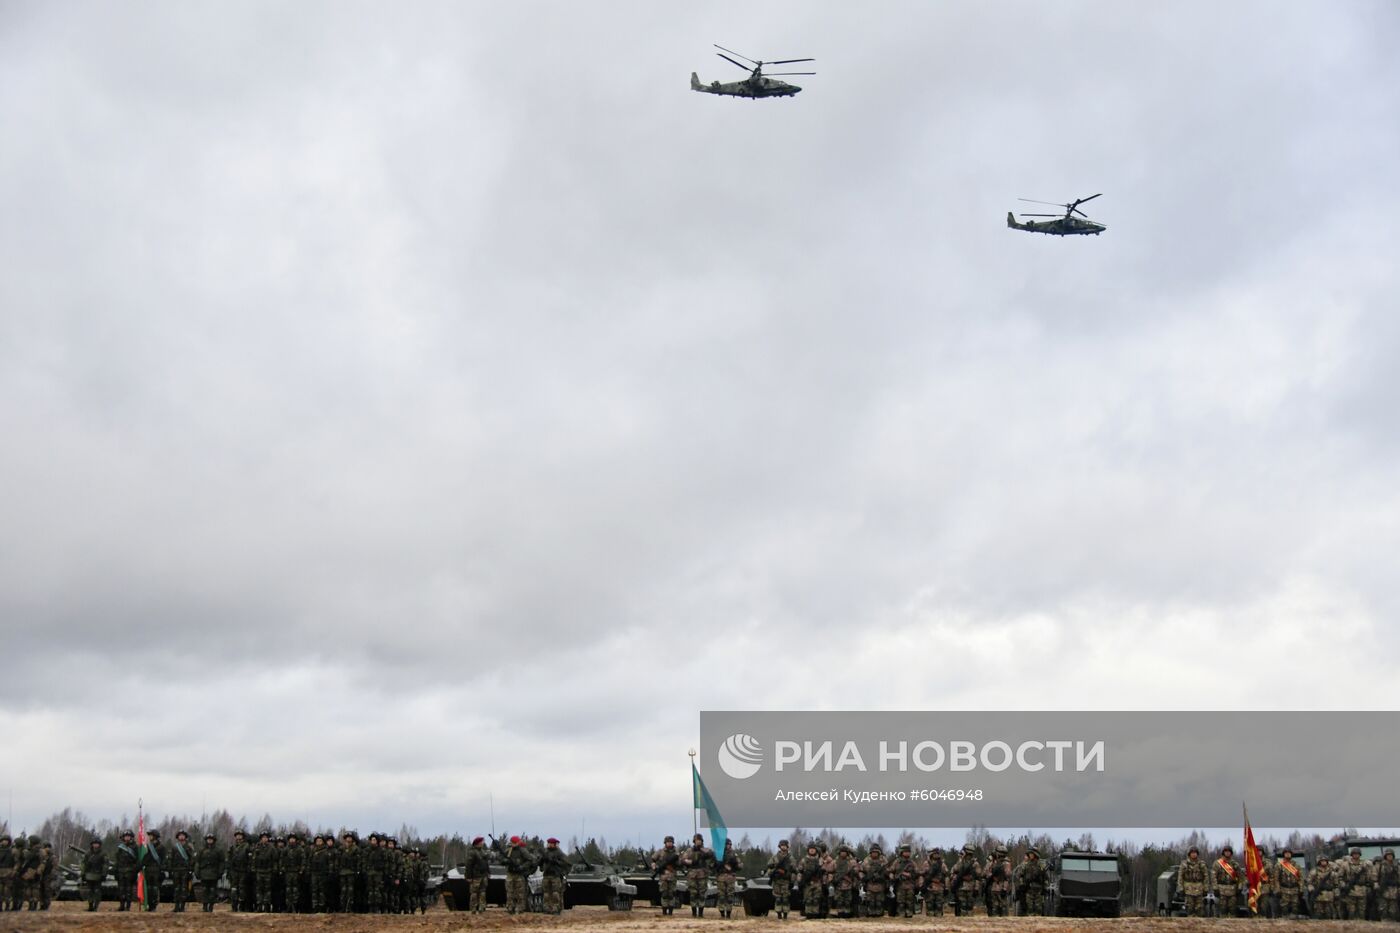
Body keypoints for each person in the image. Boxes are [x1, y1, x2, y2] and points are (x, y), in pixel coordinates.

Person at [681, 833, 713, 917]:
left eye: (699, 840)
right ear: (694, 841)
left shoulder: (705, 850)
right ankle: (694, 912)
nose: (698, 842)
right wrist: (690, 862)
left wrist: (702, 851)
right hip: (692, 875)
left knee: (702, 894)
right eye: (696, 841)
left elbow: (711, 854)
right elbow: (683, 860)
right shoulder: (689, 850)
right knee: (693, 893)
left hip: (702, 874)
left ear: (702, 841)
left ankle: (701, 913)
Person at [1339, 846, 1375, 921]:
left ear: (1360, 854)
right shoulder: (1345, 865)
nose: (1356, 855)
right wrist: (1344, 885)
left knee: (1362, 911)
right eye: (1354, 854)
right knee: (1351, 911)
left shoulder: (1365, 864)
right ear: (1351, 854)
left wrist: (1369, 886)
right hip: (1350, 890)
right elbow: (1340, 877)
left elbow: (1369, 877)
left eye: (1357, 854)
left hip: (1362, 890)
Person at [504, 835, 535, 914]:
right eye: (512, 842)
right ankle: (510, 907)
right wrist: (505, 861)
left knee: (520, 893)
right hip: (510, 874)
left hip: (519, 874)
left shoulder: (522, 851)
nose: (513, 844)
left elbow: (530, 860)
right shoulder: (508, 850)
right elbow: (501, 858)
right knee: (510, 892)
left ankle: (520, 908)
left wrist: (522, 867)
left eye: (515, 842)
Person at [1210, 845, 1244, 917]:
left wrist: (1240, 887)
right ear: (1223, 853)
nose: (1227, 853)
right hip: (1221, 889)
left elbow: (1240, 877)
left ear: (1231, 853)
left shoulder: (1235, 864)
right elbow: (1213, 876)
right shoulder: (1218, 863)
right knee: (1222, 909)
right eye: (1226, 851)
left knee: (1232, 909)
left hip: (1232, 889)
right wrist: (1215, 888)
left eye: (1229, 852)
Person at [539, 837, 570, 914]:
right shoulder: (545, 852)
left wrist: (556, 862)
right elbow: (539, 863)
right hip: (546, 875)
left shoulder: (559, 853)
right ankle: (546, 908)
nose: (549, 845)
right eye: (548, 843)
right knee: (546, 893)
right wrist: (542, 861)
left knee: (555, 893)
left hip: (555, 876)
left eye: (551, 844)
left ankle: (556, 908)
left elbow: (566, 863)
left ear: (554, 844)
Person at [195, 833, 224, 913]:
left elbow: (221, 862)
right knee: (204, 890)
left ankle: (211, 906)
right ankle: (204, 905)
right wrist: (197, 872)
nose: (209, 841)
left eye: (211, 839)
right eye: (208, 839)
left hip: (214, 873)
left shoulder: (218, 851)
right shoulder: (201, 850)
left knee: (212, 890)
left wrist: (220, 872)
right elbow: (197, 862)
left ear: (213, 841)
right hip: (204, 873)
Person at [1015, 847, 1049, 916]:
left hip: (1038, 890)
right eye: (1029, 854)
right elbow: (1020, 876)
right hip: (1029, 890)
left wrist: (1045, 887)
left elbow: (1045, 878)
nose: (1030, 855)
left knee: (1038, 909)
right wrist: (1022, 885)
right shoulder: (1026, 865)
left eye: (1031, 854)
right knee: (1029, 909)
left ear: (1035, 854)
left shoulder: (1041, 865)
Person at [890, 843, 920, 919]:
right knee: (900, 901)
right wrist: (892, 877)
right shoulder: (897, 862)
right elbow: (891, 871)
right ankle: (901, 914)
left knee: (910, 901)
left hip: (910, 885)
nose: (907, 853)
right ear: (902, 852)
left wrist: (909, 875)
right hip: (900, 885)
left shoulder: (912, 863)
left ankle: (909, 914)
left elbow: (917, 873)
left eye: (908, 851)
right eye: (906, 851)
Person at [950, 844, 982, 916]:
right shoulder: (961, 862)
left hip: (969, 888)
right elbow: (955, 869)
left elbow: (978, 876)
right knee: (962, 906)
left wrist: (976, 888)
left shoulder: (974, 863)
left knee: (969, 906)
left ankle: (968, 920)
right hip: (961, 888)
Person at [829, 844, 859, 918]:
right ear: (839, 852)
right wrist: (832, 880)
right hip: (838, 885)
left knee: (847, 901)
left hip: (848, 885)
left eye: (845, 852)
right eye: (842, 852)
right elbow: (830, 871)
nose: (843, 853)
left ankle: (847, 913)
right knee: (839, 900)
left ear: (847, 853)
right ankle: (840, 913)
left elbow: (857, 870)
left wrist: (853, 872)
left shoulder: (851, 862)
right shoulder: (835, 862)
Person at [1177, 846, 1208, 917]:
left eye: (1195, 853)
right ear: (1189, 854)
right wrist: (1180, 888)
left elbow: (1206, 877)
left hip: (1199, 889)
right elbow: (1180, 877)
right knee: (1189, 908)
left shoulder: (1201, 864)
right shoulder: (1184, 864)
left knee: (1199, 909)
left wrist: (1206, 888)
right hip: (1188, 889)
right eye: (1192, 853)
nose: (1194, 854)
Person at [168, 830, 195, 912]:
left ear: (185, 837)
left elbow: (192, 859)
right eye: (180, 836)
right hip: (176, 870)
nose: (181, 837)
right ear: (178, 837)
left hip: (185, 870)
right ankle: (176, 906)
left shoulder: (189, 847)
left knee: (184, 889)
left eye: (183, 835)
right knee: (176, 889)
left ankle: (182, 906)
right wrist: (170, 869)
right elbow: (170, 859)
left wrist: (191, 870)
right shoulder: (174, 847)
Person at [138, 829, 165, 911]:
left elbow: (163, 860)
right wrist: (140, 865)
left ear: (155, 837)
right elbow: (145, 858)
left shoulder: (161, 847)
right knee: (149, 889)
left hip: (156, 870)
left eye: (151, 835)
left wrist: (163, 870)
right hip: (148, 870)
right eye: (149, 835)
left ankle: (154, 906)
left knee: (154, 889)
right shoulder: (147, 847)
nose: (150, 837)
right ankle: (149, 905)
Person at [462, 836, 490, 913]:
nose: (482, 843)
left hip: (483, 875)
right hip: (475, 876)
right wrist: (468, 876)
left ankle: (482, 907)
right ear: (477, 843)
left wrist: (488, 872)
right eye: (481, 842)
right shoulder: (472, 852)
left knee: (483, 892)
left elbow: (486, 863)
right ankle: (473, 908)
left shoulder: (483, 852)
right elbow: (468, 865)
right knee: (474, 893)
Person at [766, 839, 793, 920]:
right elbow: (769, 867)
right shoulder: (774, 857)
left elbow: (794, 869)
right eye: (782, 845)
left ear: (787, 847)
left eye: (785, 845)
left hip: (786, 881)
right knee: (778, 898)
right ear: (779, 846)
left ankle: (785, 914)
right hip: (777, 881)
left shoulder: (790, 858)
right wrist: (774, 871)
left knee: (785, 899)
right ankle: (778, 914)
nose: (783, 847)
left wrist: (792, 880)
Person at [113, 830, 139, 911]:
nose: (127, 838)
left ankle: (128, 906)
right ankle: (121, 905)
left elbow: (138, 860)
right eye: (125, 836)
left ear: (131, 837)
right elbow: (117, 860)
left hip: (130, 871)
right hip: (121, 870)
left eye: (128, 836)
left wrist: (135, 870)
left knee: (128, 889)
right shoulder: (120, 847)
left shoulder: (135, 847)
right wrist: (115, 870)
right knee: (121, 889)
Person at [226, 829, 251, 912]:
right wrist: (229, 871)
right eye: (237, 836)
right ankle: (234, 906)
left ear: (243, 837)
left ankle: (242, 906)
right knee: (233, 889)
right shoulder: (232, 847)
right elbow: (229, 860)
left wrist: (248, 870)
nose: (238, 837)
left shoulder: (247, 846)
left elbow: (249, 860)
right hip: (234, 871)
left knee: (242, 889)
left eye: (240, 836)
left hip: (243, 871)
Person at [860, 843, 888, 918]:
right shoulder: (866, 860)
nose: (874, 854)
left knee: (879, 902)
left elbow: (887, 871)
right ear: (870, 852)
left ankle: (879, 914)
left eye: (876, 852)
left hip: (880, 885)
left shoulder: (883, 860)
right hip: (870, 884)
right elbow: (861, 871)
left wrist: (883, 876)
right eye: (873, 852)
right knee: (870, 902)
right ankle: (870, 913)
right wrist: (863, 878)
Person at [716, 839, 741, 918]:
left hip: (730, 877)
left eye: (730, 844)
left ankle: (729, 913)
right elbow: (712, 864)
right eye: (728, 844)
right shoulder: (719, 854)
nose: (729, 846)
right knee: (721, 896)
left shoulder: (733, 854)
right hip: (721, 877)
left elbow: (740, 865)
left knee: (730, 896)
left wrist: (735, 865)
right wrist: (719, 864)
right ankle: (722, 913)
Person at [797, 842, 824, 919]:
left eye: (813, 849)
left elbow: (824, 871)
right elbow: (800, 871)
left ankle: (815, 914)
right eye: (810, 849)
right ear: (808, 850)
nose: (812, 851)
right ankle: (808, 914)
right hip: (807, 883)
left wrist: (824, 882)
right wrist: (799, 881)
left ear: (816, 850)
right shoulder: (804, 860)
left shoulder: (820, 860)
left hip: (817, 882)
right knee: (808, 899)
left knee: (816, 899)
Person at [985, 844, 1013, 916]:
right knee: (998, 908)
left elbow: (1008, 876)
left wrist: (1005, 888)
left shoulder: (1003, 864)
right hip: (997, 888)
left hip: (999, 888)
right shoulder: (995, 863)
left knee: (1000, 909)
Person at [1275, 849, 1304, 918]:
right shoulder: (1279, 865)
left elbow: (1301, 878)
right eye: (1286, 853)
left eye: (1289, 853)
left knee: (1295, 906)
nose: (1288, 854)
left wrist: (1301, 888)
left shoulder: (1296, 865)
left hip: (1294, 888)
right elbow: (1276, 879)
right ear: (1284, 855)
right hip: (1284, 889)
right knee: (1284, 907)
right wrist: (1278, 889)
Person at [252, 830, 276, 912]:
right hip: (259, 871)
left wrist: (274, 870)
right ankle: (259, 905)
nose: (265, 839)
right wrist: (253, 868)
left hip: (268, 871)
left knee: (267, 889)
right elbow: (254, 859)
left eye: (266, 838)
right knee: (259, 889)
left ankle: (266, 906)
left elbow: (274, 860)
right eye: (263, 838)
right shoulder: (257, 847)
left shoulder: (272, 848)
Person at [81, 839, 107, 912]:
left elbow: (105, 864)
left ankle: (95, 907)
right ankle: (90, 906)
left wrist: (104, 874)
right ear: (92, 844)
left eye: (97, 844)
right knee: (89, 891)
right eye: (94, 844)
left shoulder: (103, 854)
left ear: (99, 845)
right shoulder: (88, 853)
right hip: (89, 875)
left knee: (97, 891)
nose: (95, 845)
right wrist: (83, 873)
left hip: (98, 875)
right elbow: (83, 863)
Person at [922, 847, 949, 916]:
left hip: (940, 887)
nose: (937, 855)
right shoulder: (926, 863)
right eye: (935, 853)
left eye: (938, 853)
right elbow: (922, 875)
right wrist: (921, 886)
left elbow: (946, 875)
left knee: (939, 907)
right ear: (931, 854)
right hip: (929, 888)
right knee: (930, 906)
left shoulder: (942, 864)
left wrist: (947, 887)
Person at [338, 833, 360, 913]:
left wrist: (357, 871)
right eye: (347, 838)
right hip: (342, 872)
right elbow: (338, 860)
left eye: (350, 838)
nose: (348, 840)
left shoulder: (355, 849)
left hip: (351, 872)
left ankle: (349, 907)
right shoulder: (341, 849)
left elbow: (358, 860)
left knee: (350, 890)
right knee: (343, 890)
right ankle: (342, 907)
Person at [1376, 849, 1399, 921]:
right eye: (1388, 855)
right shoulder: (1380, 866)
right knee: (1383, 909)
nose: (1389, 856)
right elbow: (1374, 876)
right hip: (1383, 889)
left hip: (1394, 890)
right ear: (1385, 856)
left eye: (1391, 855)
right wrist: (1376, 884)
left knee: (1393, 910)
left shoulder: (1397, 866)